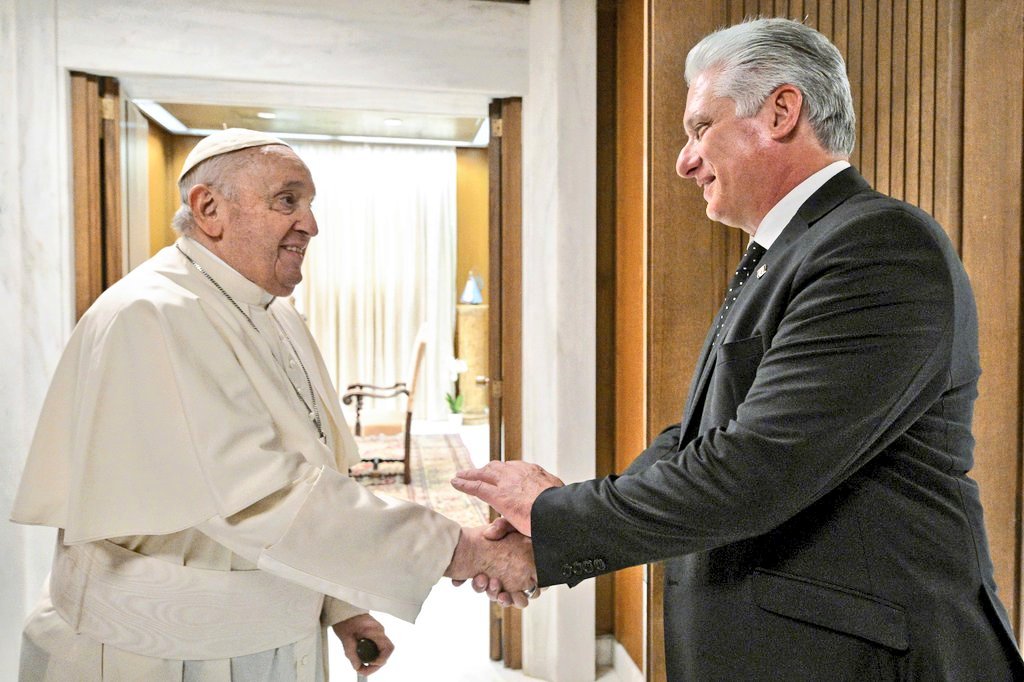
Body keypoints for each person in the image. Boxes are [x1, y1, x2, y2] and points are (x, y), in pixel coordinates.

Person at [453, 18, 1024, 680]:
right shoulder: (793, 251)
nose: (684, 160)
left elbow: (756, 469)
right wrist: (554, 536)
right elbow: (700, 443)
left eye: (701, 128)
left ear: (782, 111)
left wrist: (555, 519)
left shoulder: (876, 246)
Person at [11, 128, 536, 681]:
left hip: (275, 641)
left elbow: (313, 475)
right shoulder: (152, 315)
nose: (310, 224)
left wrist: (341, 606)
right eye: (287, 201)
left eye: (309, 205)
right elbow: (260, 498)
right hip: (158, 655)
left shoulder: (276, 313)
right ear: (209, 208)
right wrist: (470, 551)